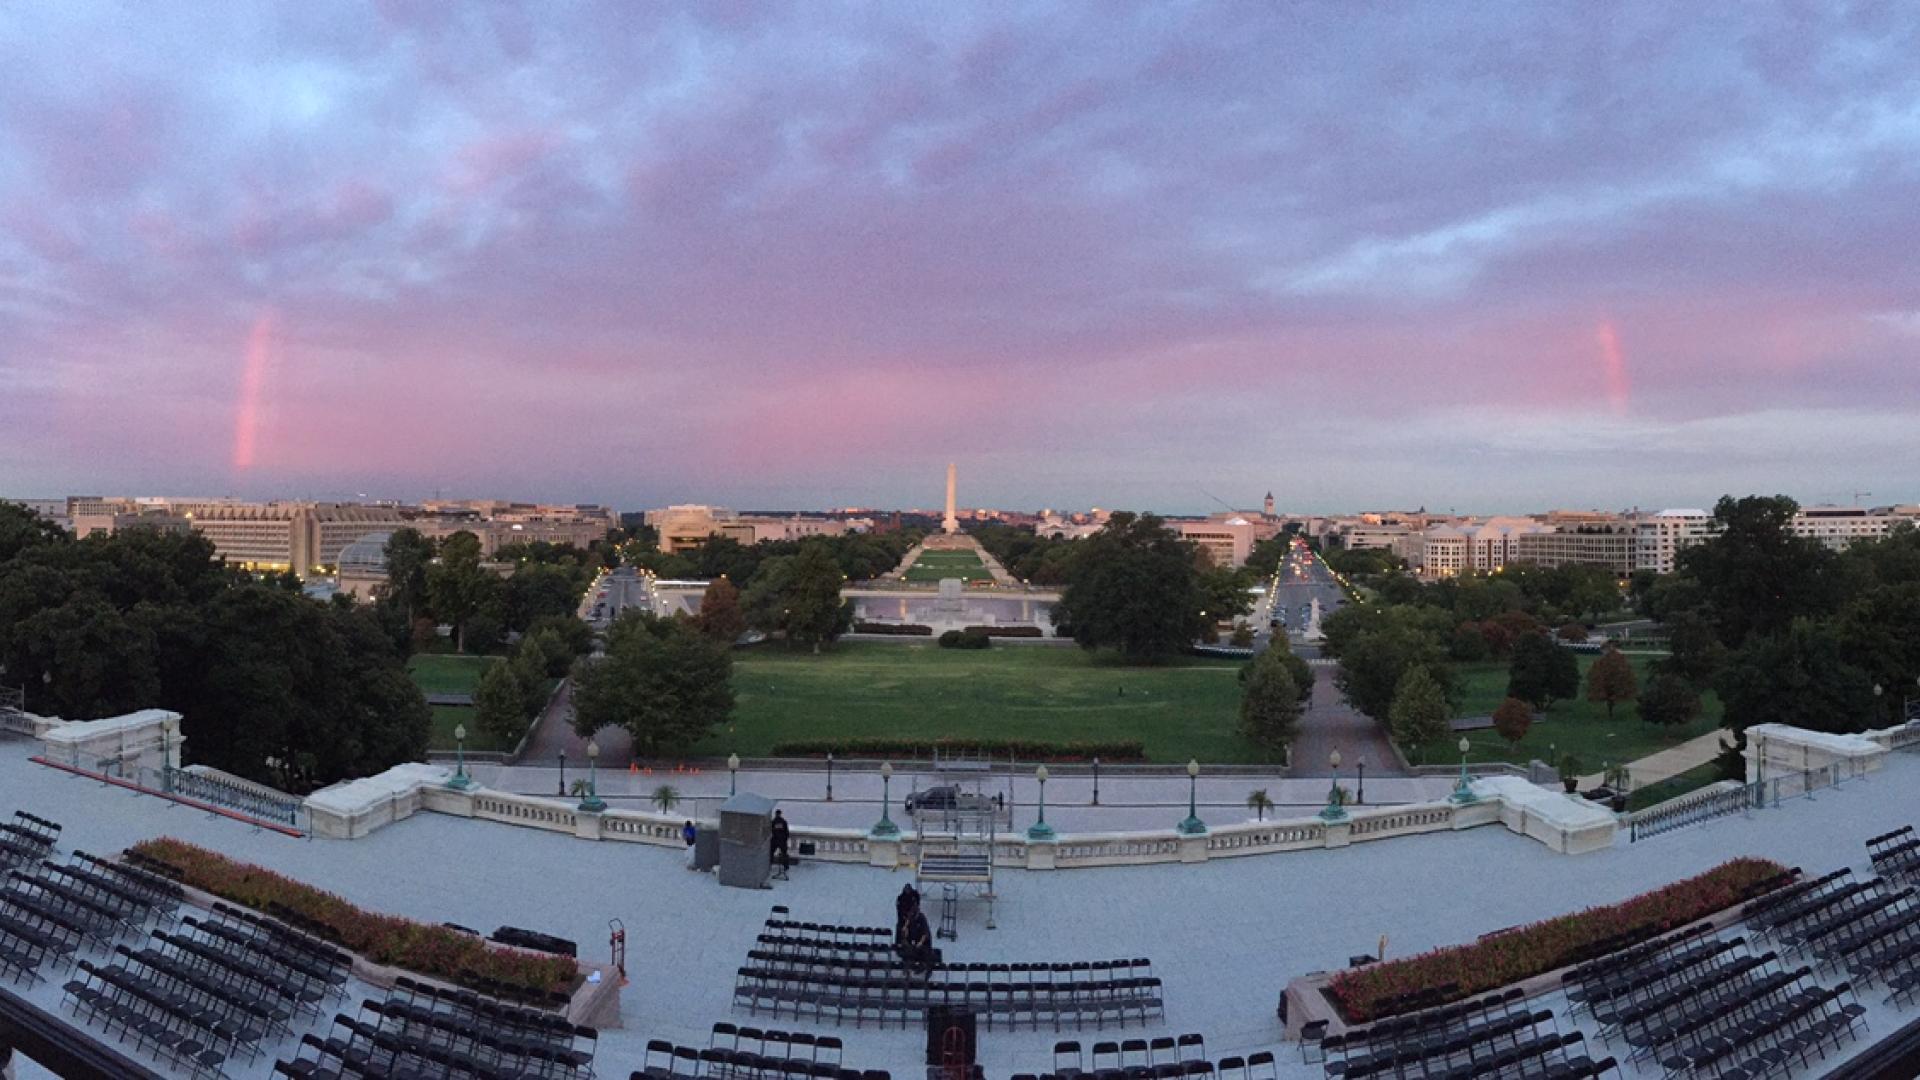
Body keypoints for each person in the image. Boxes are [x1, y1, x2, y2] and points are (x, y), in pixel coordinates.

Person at [902, 905, 935, 976]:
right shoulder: (910, 918)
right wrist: (905, 931)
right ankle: (907, 968)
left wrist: (920, 943)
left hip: (924, 942)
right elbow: (906, 928)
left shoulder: (922, 919)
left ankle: (924, 968)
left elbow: (925, 934)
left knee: (924, 951)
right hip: (913, 940)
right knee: (907, 950)